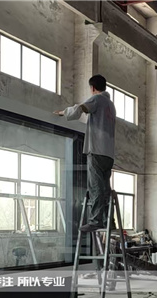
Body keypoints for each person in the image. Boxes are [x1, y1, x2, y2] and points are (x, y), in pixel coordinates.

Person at [54, 74, 116, 233]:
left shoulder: (97, 99)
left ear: (93, 88)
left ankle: (96, 221)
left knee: (95, 187)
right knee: (104, 188)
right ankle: (110, 221)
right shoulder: (111, 105)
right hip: (108, 154)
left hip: (97, 149)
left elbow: (82, 108)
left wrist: (64, 112)